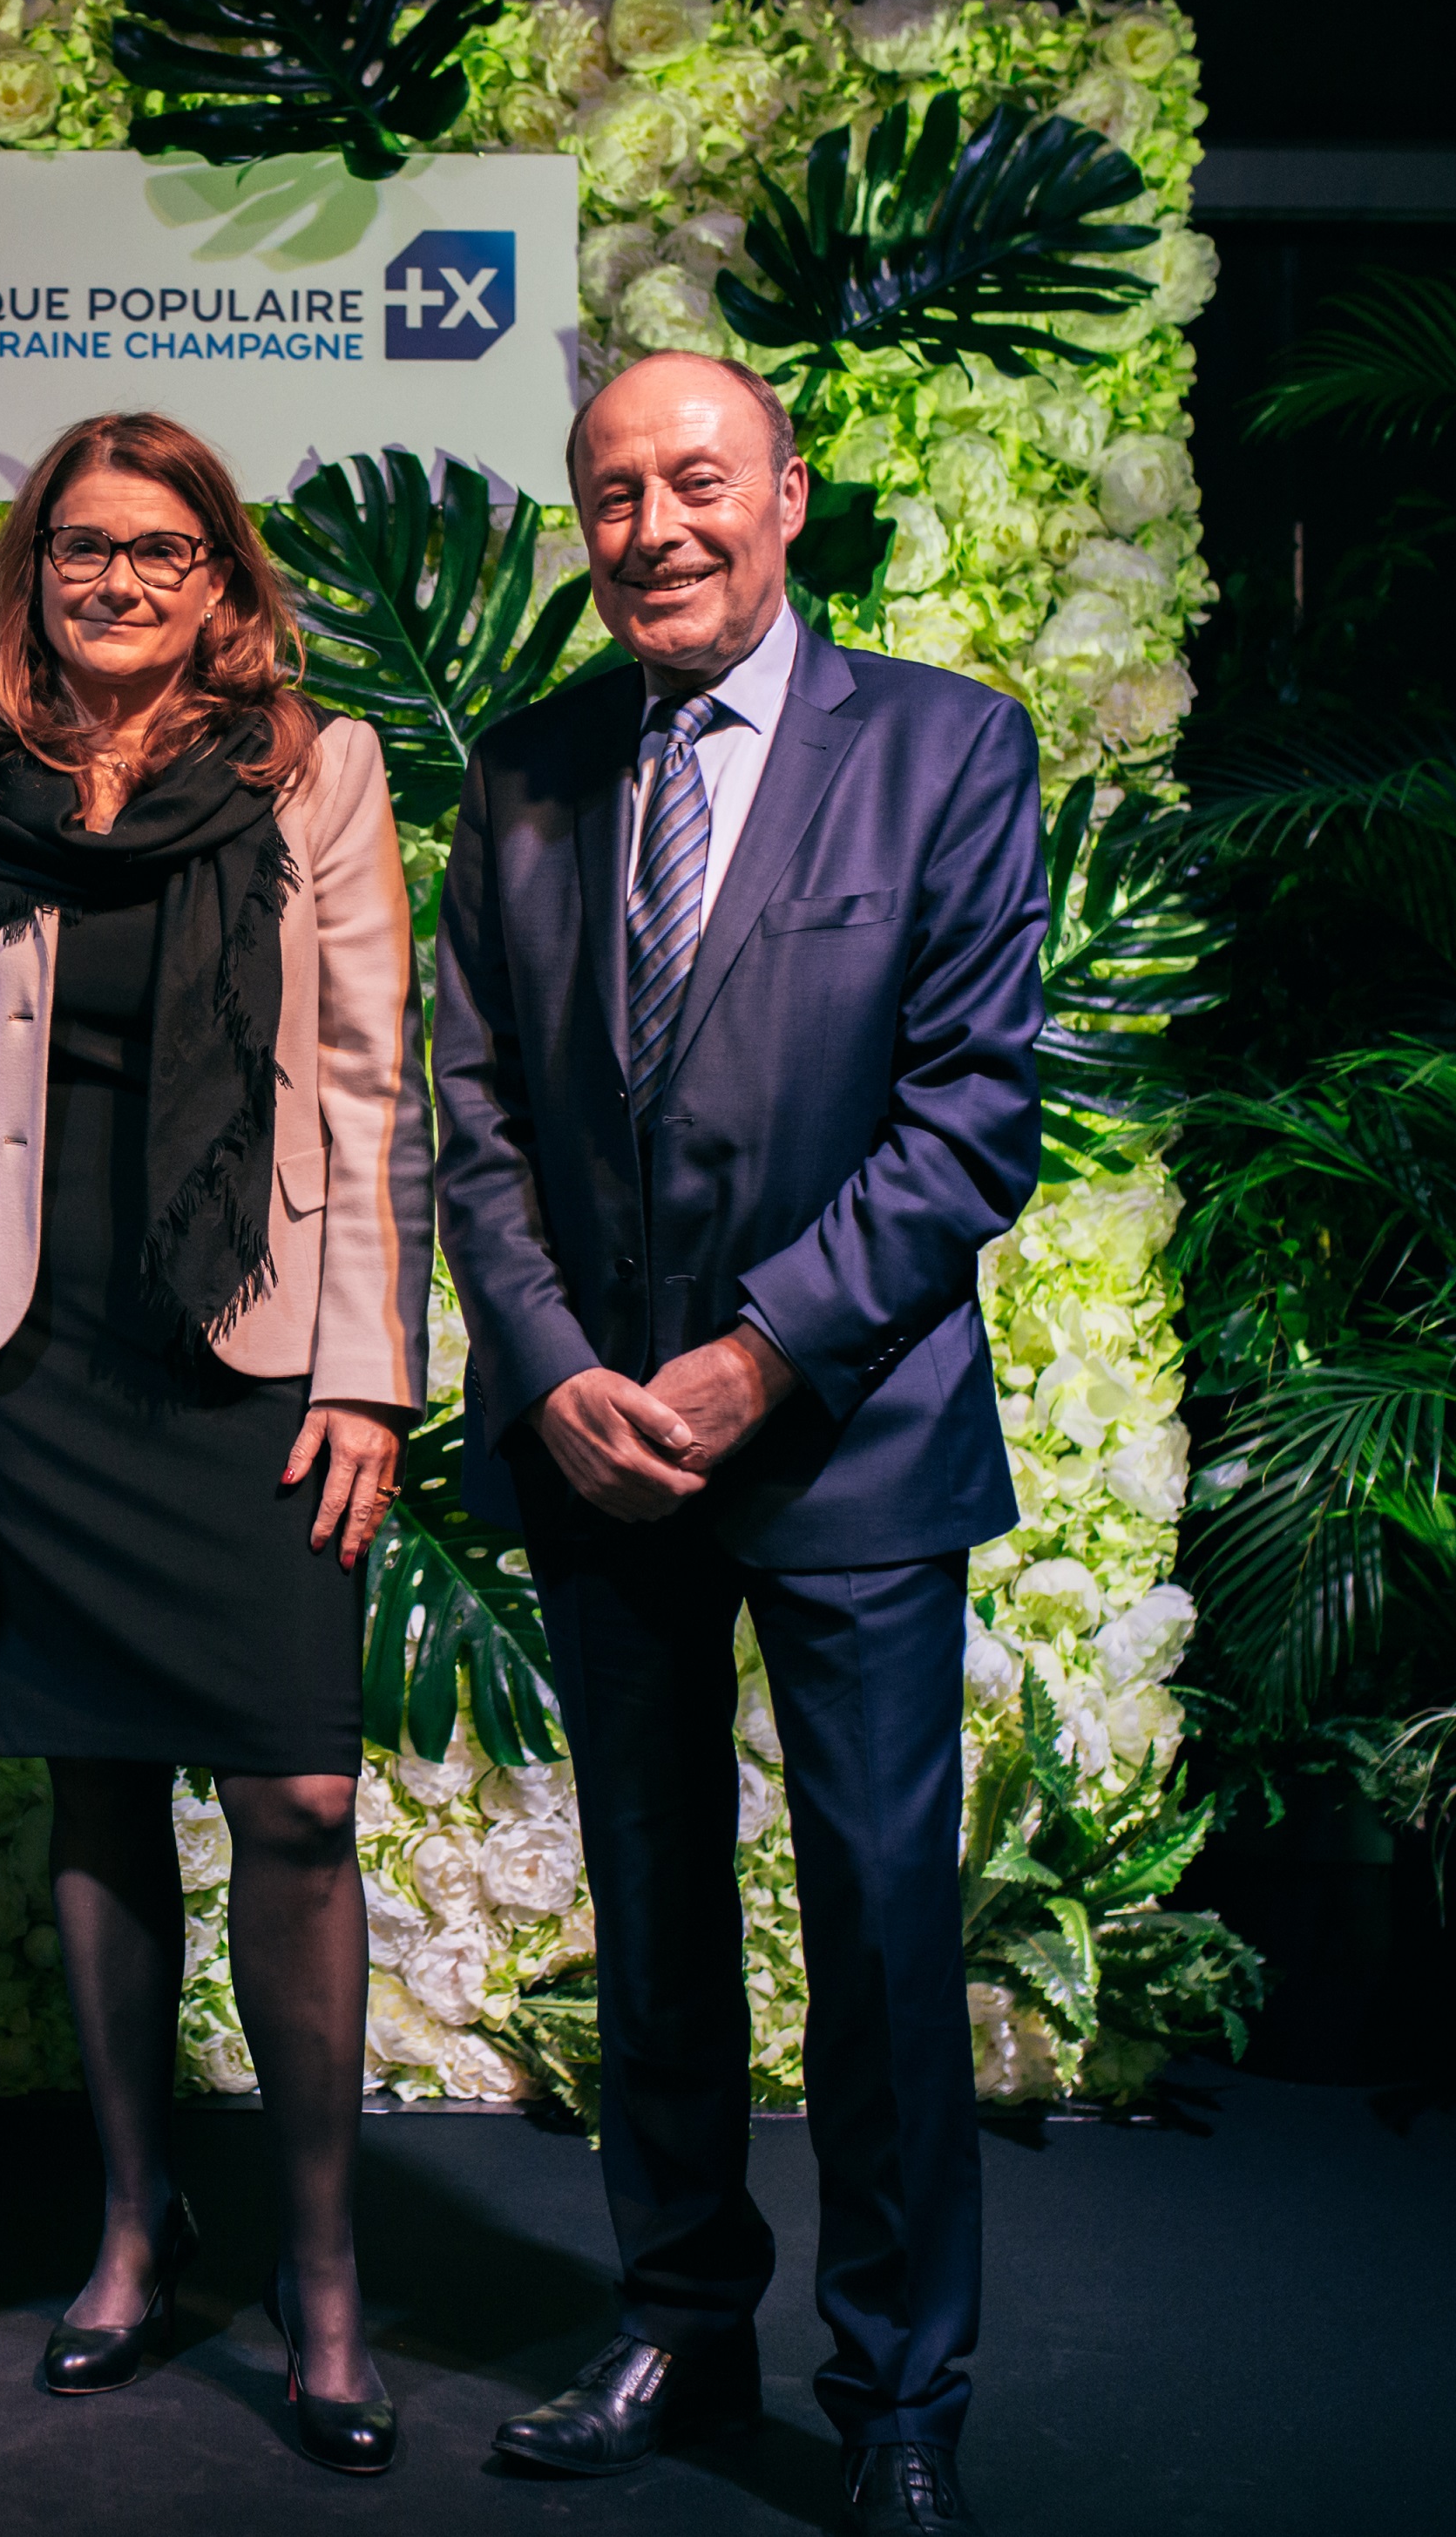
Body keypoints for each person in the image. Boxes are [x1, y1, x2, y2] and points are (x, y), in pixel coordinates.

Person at [430, 350, 1040, 2537]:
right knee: (655, 1911)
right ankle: (683, 2323)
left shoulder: (947, 748)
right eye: (612, 494)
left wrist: (758, 1356)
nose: (654, 527)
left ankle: (899, 2392)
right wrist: (553, 1367)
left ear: (785, 494)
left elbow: (972, 1113)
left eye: (696, 480)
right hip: (601, 1447)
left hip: (847, 1438)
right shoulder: (526, 768)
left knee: (877, 1927)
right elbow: (472, 1117)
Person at [0, 412, 430, 2475]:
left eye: (160, 549)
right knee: (97, 1784)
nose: (117, 580)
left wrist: (369, 1371)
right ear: (30, 574)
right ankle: (134, 2222)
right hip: (22, 1344)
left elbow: (372, 1081)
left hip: (250, 1335)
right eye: (82, 548)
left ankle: (323, 2271)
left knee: (298, 1796)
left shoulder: (315, 772)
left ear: (221, 581)